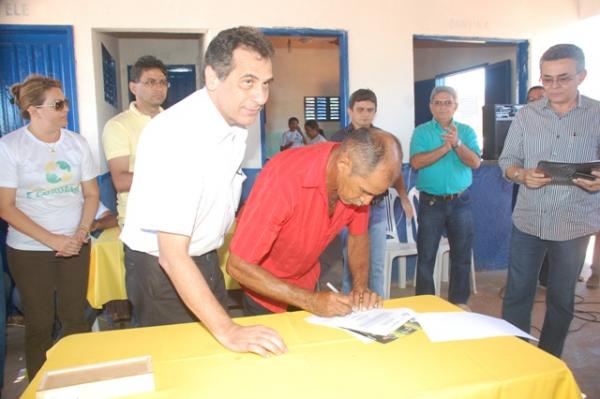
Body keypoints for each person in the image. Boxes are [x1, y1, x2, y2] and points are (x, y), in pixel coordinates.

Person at [120, 27, 286, 357]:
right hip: (163, 269)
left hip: (205, 256)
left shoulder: (236, 122)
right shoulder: (178, 136)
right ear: (212, 77)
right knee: (177, 361)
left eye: (266, 83)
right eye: (248, 81)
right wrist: (228, 329)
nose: (261, 97)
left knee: (211, 358)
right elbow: (171, 254)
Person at [227, 128, 402, 316]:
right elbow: (238, 265)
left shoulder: (358, 184)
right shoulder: (284, 177)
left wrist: (360, 287)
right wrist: (309, 301)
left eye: (374, 195)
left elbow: (358, 237)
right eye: (365, 191)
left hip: (306, 281)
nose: (366, 202)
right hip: (264, 287)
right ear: (344, 164)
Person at [499, 44, 600, 357]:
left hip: (574, 223)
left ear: (581, 76)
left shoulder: (597, 114)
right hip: (529, 219)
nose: (553, 87)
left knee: (561, 298)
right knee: (517, 293)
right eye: (547, 79)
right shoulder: (527, 115)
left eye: (563, 79)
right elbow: (507, 160)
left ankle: (548, 358)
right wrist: (521, 175)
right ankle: (517, 358)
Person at [0, 74, 99, 379]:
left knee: (76, 318)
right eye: (58, 104)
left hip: (75, 244)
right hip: (29, 250)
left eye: (65, 102)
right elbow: (5, 206)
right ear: (34, 109)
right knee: (40, 323)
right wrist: (52, 240)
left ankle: (76, 381)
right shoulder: (10, 147)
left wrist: (80, 234)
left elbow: (91, 194)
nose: (66, 108)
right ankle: (39, 387)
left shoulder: (76, 143)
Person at [330, 89, 412, 296]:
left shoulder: (383, 139)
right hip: (348, 209)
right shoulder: (338, 138)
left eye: (370, 110)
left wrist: (403, 197)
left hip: (376, 209)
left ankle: (380, 312)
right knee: (351, 264)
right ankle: (350, 314)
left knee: (376, 265)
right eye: (360, 110)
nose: (365, 114)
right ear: (350, 111)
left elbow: (395, 173)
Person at [410, 86, 481, 307]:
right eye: (438, 102)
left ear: (455, 106)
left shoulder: (466, 131)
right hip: (430, 203)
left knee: (461, 255)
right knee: (426, 257)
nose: (442, 106)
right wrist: (444, 148)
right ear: (430, 106)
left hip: (460, 202)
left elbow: (475, 163)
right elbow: (416, 162)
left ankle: (458, 303)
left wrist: (457, 143)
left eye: (447, 102)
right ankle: (425, 304)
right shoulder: (421, 132)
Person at [102, 55, 168, 228]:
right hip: (139, 222)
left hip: (175, 217)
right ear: (133, 87)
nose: (158, 87)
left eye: (162, 82)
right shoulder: (118, 126)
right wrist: (174, 175)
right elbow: (121, 181)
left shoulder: (175, 121)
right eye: (150, 82)